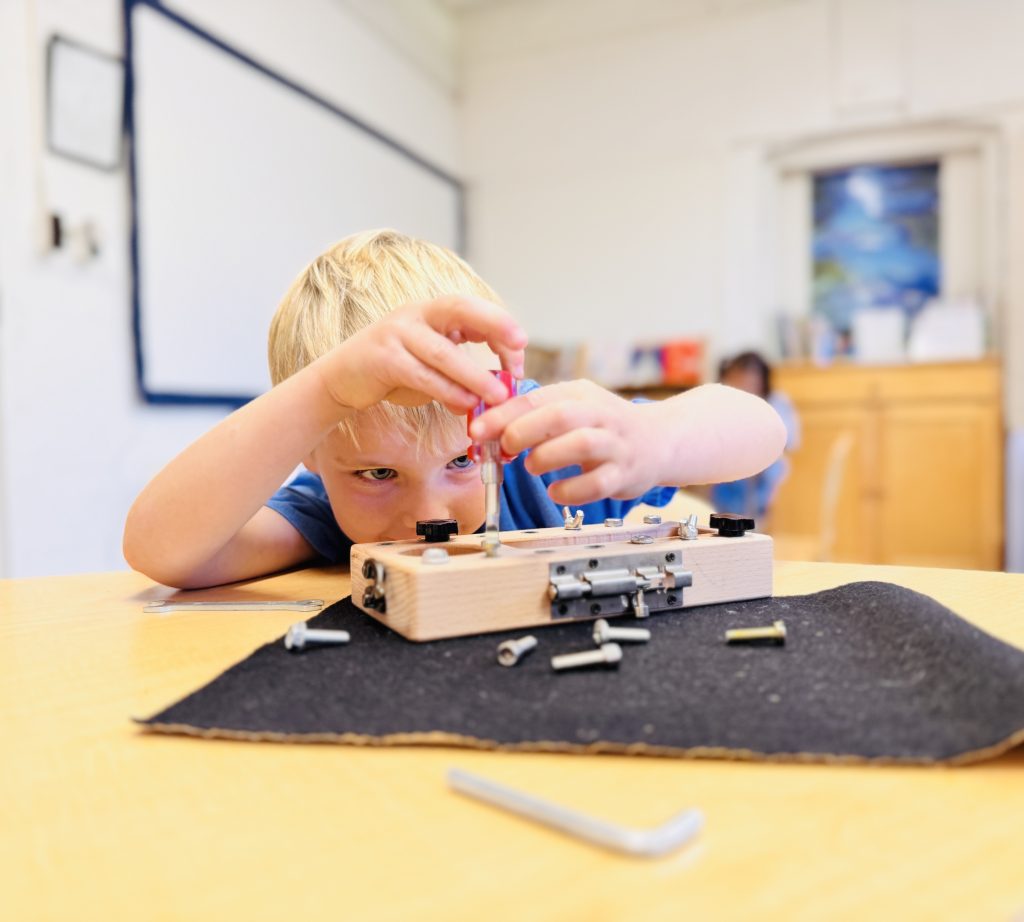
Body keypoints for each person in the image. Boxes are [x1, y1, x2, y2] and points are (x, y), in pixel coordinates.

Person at [123, 230, 787, 589]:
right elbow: (162, 553)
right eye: (377, 475)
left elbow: (763, 429)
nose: (429, 517)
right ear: (314, 456)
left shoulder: (539, 445)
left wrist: (657, 439)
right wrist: (323, 392)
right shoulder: (326, 505)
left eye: (464, 460)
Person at [710, 351, 800, 523]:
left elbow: (789, 441)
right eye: (737, 381)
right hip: (730, 474)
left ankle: (750, 520)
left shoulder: (776, 402)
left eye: (749, 380)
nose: (744, 385)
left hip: (765, 476)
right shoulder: (725, 404)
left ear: (761, 381)